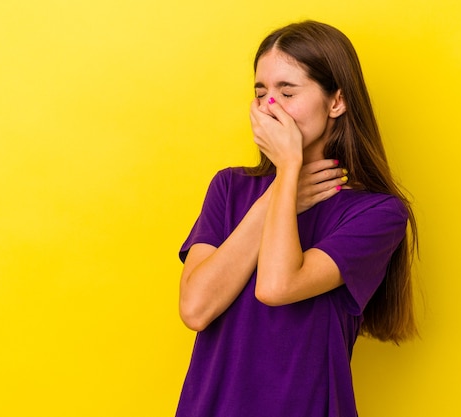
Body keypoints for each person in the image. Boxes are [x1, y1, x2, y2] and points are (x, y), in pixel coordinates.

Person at [176, 20, 418, 417]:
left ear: (336, 101)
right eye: (261, 93)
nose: (269, 106)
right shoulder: (230, 188)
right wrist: (276, 195)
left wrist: (289, 168)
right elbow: (195, 308)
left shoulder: (377, 213)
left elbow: (277, 286)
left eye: (287, 92)